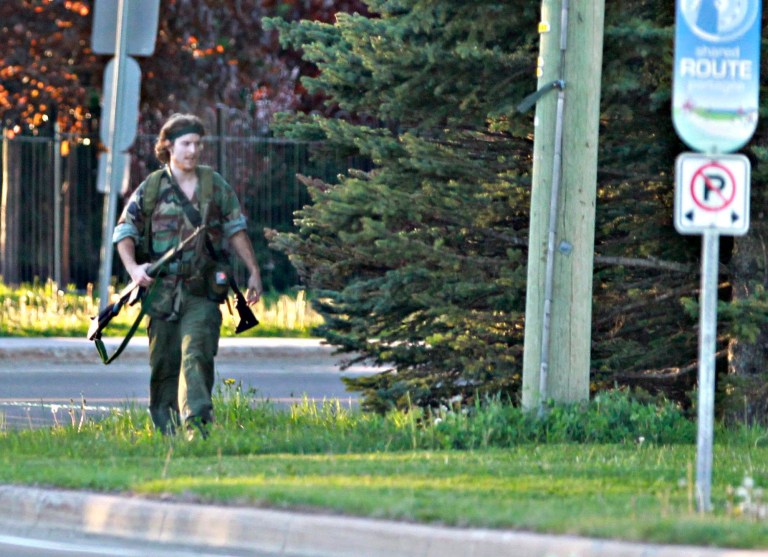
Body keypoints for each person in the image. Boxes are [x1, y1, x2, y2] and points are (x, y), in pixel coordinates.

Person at [112, 113, 263, 438]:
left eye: (197, 143)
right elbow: (124, 231)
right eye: (186, 144)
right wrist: (134, 270)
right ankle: (166, 433)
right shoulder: (152, 187)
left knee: (197, 355)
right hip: (161, 293)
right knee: (164, 363)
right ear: (168, 146)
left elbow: (236, 230)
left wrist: (253, 270)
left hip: (202, 291)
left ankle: (197, 429)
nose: (193, 150)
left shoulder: (214, 185)